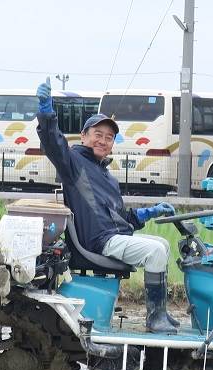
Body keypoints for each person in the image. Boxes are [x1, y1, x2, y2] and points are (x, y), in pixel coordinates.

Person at [35, 77, 178, 334]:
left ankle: (162, 312)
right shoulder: (74, 164)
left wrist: (149, 212)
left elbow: (119, 217)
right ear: (84, 136)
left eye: (109, 137)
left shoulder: (106, 176)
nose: (103, 141)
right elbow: (54, 144)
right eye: (97, 135)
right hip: (99, 241)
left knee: (163, 245)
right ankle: (155, 318)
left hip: (112, 236)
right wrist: (47, 113)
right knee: (155, 252)